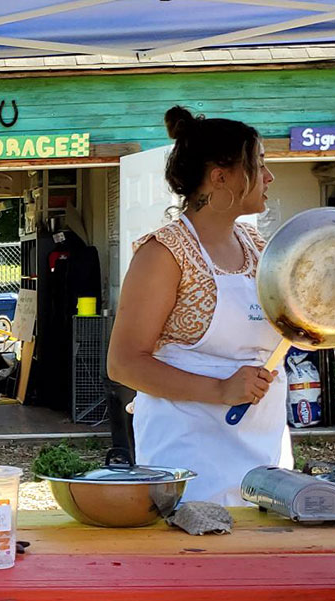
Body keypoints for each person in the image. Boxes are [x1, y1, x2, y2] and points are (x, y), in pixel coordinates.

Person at [108, 105, 290, 508]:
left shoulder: (258, 248)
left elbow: (288, 330)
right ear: (220, 176)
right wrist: (220, 389)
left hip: (263, 445)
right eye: (258, 164)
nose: (269, 176)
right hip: (188, 453)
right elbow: (124, 363)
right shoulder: (164, 254)